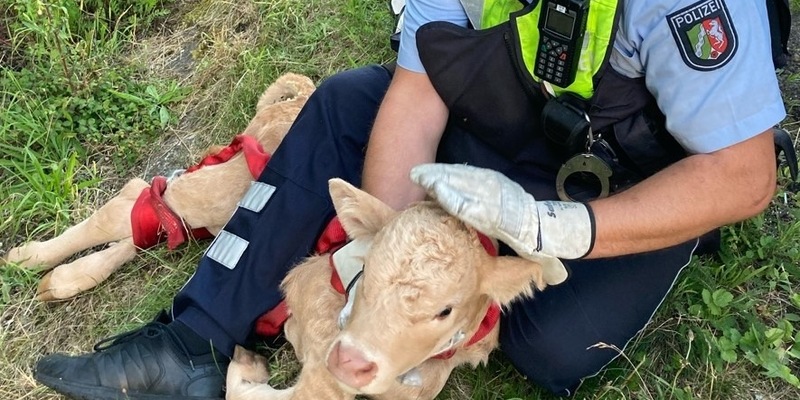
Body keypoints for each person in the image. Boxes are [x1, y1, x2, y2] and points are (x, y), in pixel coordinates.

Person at [34, 0, 786, 398]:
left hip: (627, 180)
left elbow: (743, 175)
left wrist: (549, 226)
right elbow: (418, 93)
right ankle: (191, 345)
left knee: (550, 345)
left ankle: (643, 242)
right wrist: (384, 256)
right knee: (342, 104)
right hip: (508, 122)